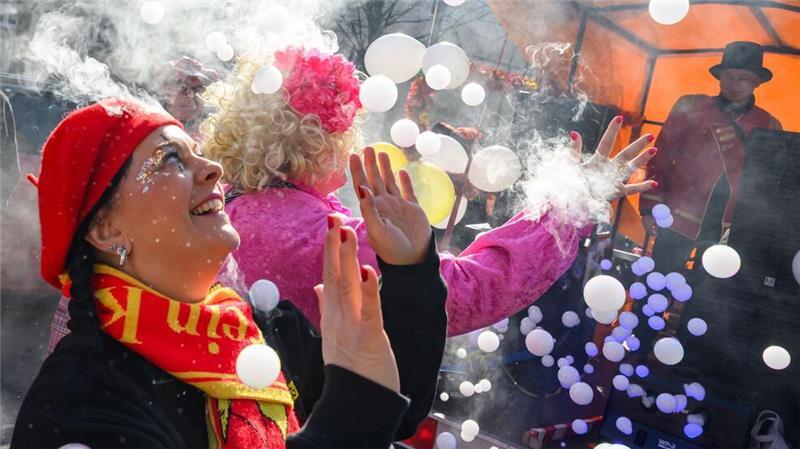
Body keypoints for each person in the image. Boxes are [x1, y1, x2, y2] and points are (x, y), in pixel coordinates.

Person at [11, 98, 447, 448]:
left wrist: (411, 270)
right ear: (106, 229)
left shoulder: (253, 329)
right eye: (170, 160)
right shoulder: (78, 404)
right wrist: (350, 413)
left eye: (197, 152)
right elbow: (357, 416)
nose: (213, 168)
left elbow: (390, 407)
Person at [199, 46, 658, 337]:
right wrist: (573, 202)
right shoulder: (318, 233)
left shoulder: (226, 206)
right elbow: (462, 294)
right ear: (320, 140)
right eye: (348, 134)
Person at [640, 41, 782, 274]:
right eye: (729, 76)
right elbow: (661, 158)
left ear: (757, 82)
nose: (734, 85)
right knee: (656, 287)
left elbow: (766, 182)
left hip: (729, 229)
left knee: (707, 301)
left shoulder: (769, 125)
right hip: (677, 219)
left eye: (743, 78)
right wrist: (649, 208)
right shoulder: (691, 106)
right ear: (719, 78)